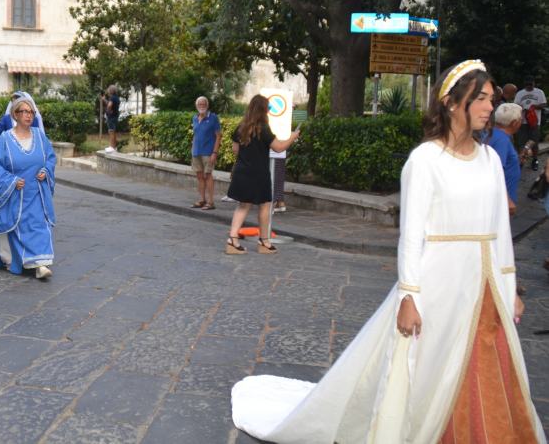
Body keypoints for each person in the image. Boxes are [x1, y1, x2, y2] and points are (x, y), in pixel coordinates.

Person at [231, 60, 544, 443]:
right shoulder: (425, 160)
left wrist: (509, 288)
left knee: (486, 370)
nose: (487, 108)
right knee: (430, 368)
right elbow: (412, 235)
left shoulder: (491, 160)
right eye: (479, 98)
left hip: (484, 289)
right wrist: (409, 296)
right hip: (437, 284)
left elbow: (499, 229)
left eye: (491, 99)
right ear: (450, 102)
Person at [0, 96, 57, 279]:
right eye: (25, 112)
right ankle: (16, 260)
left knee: (39, 226)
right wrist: (11, 181)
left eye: (31, 112)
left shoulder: (39, 135)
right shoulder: (5, 139)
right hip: (16, 193)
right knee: (15, 226)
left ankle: (40, 264)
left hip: (37, 192)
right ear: (15, 114)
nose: (29, 116)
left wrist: (46, 170)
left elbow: (51, 157)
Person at [225, 95, 300, 255]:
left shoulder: (241, 127)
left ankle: (232, 240)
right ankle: (264, 242)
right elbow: (279, 147)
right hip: (258, 173)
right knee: (265, 205)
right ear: (263, 110)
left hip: (242, 172)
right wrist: (292, 137)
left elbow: (235, 150)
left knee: (243, 205)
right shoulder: (263, 128)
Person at [486, 103, 523, 215]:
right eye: (521, 119)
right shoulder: (502, 140)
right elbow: (494, 171)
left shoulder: (493, 134)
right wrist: (507, 200)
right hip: (499, 201)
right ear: (514, 123)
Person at [190, 96, 221, 210]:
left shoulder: (213, 118)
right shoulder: (195, 118)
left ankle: (211, 202)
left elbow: (218, 136)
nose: (201, 106)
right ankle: (202, 200)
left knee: (208, 176)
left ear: (207, 106)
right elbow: (195, 134)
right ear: (196, 105)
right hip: (196, 152)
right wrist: (193, 149)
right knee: (199, 176)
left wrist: (215, 152)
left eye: (204, 104)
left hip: (208, 152)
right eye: (199, 104)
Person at [514, 76, 546, 171]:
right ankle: (521, 160)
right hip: (523, 121)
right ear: (525, 84)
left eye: (530, 84)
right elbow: (515, 105)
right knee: (521, 142)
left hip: (535, 121)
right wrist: (522, 108)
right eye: (527, 84)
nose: (529, 86)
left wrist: (534, 107)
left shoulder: (539, 92)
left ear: (534, 83)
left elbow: (544, 104)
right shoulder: (520, 93)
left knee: (534, 142)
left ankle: (535, 160)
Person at [103, 84, 120, 152]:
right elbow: (110, 104)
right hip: (115, 116)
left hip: (111, 117)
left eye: (108, 89)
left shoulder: (112, 98)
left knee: (111, 131)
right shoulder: (116, 97)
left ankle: (111, 147)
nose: (108, 91)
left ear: (111, 91)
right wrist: (104, 100)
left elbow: (109, 105)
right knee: (113, 131)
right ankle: (114, 147)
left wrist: (108, 111)